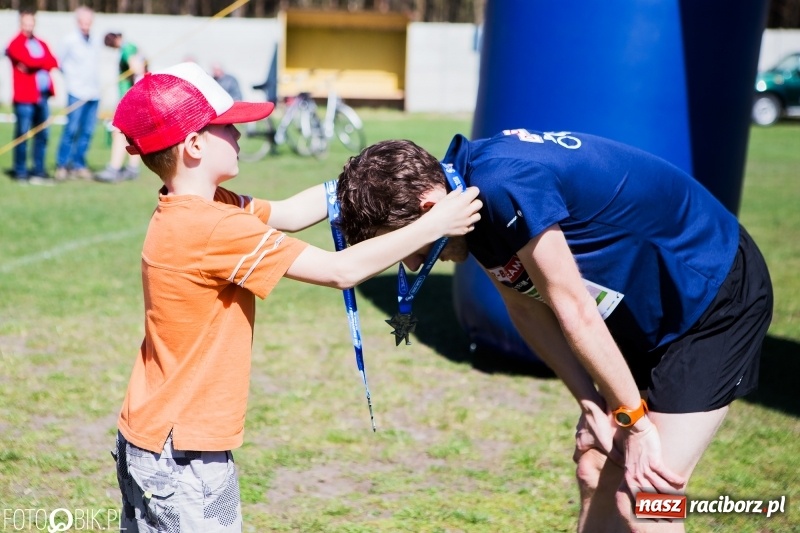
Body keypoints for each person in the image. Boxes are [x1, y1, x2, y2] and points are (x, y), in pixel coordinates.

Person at [335, 131, 773, 532]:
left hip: (710, 295)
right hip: (642, 314)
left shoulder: (503, 185)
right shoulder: (464, 197)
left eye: (408, 247)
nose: (412, 265)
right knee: (594, 466)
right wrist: (592, 404)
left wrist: (633, 424)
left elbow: (575, 309)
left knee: (647, 499)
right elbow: (523, 306)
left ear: (428, 211)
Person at [109, 62, 481, 532]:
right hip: (184, 454)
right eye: (229, 126)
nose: (243, 133)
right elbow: (339, 270)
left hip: (147, 434)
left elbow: (288, 211)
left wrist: (366, 178)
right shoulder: (213, 228)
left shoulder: (203, 207)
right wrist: (433, 226)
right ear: (195, 145)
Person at [5, 8, 58, 185]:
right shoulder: (14, 44)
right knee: (22, 133)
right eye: (25, 24)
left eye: (31, 23)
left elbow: (53, 61)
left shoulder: (41, 43)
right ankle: (20, 171)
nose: (29, 27)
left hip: (42, 96)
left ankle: (38, 169)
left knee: (42, 135)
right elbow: (28, 60)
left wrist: (35, 64)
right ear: (20, 24)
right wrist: (39, 62)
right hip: (24, 98)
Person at [54, 6, 101, 181]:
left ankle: (78, 165)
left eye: (88, 22)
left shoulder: (95, 40)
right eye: (82, 22)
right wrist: (72, 79)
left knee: (87, 132)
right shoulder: (69, 40)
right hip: (76, 92)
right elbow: (59, 62)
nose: (85, 26)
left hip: (94, 93)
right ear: (77, 22)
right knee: (71, 130)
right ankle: (62, 165)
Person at [94, 32, 146, 183]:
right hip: (136, 96)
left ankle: (114, 169)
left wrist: (134, 68)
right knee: (133, 135)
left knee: (119, 132)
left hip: (129, 97)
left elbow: (136, 68)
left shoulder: (126, 48)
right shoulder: (133, 46)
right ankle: (132, 168)